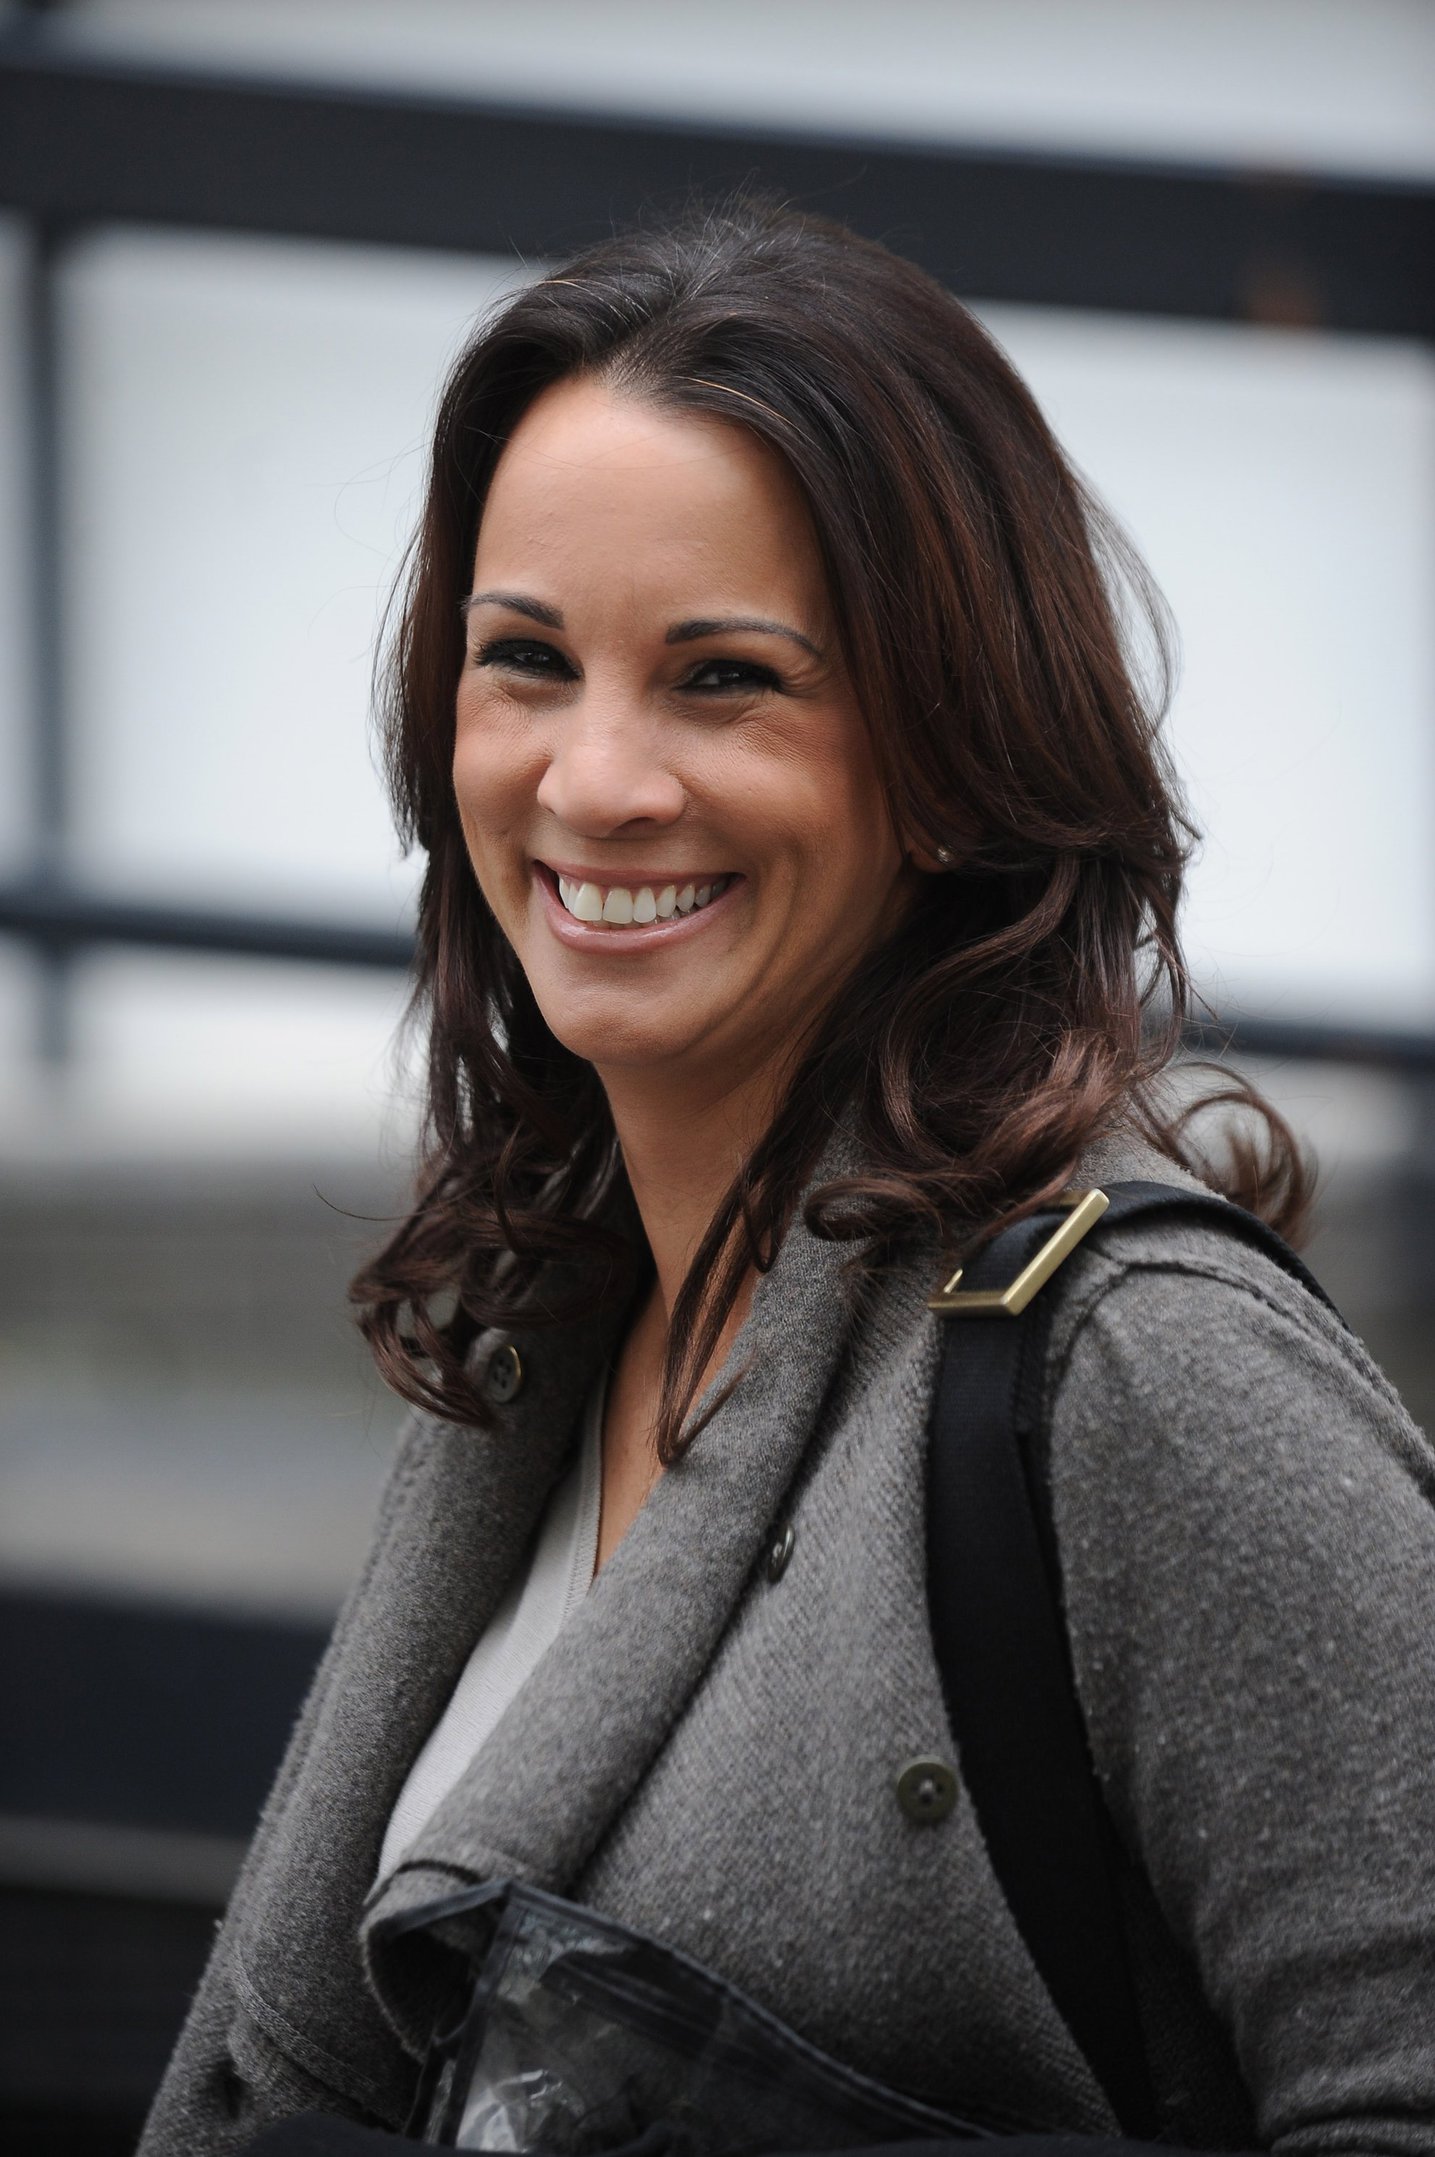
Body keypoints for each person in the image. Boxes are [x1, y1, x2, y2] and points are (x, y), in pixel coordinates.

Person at [140, 200, 1435, 2157]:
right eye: (526, 661)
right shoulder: (553, 1340)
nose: (596, 780)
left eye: (721, 677)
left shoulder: (1145, 1385)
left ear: (946, 754)